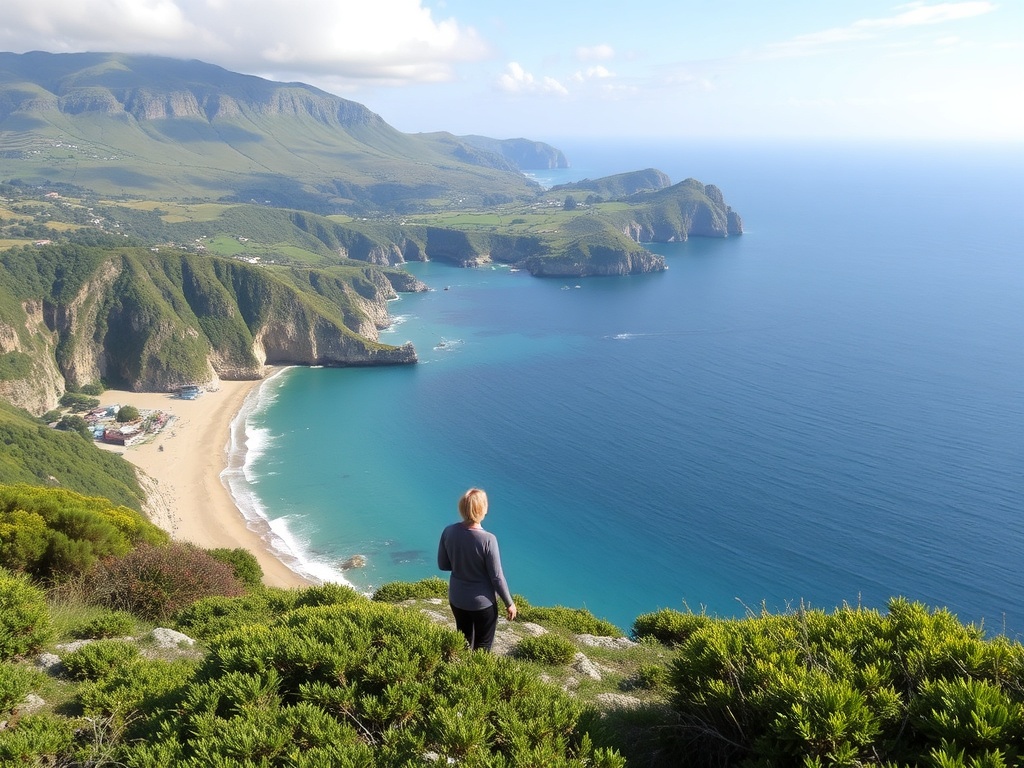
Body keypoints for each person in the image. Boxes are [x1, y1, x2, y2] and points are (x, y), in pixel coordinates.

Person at [437, 487, 517, 651]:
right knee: (483, 646)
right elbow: (496, 577)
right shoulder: (488, 539)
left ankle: (459, 673)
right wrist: (509, 603)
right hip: (482, 604)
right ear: (482, 509)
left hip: (457, 598)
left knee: (463, 642)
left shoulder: (448, 531)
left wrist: (462, 563)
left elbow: (443, 565)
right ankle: (476, 675)